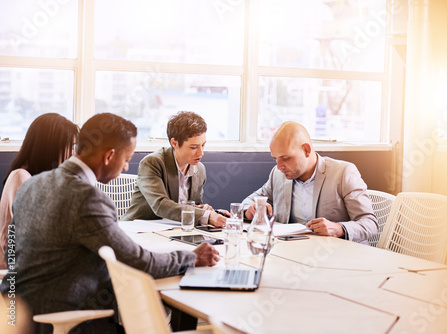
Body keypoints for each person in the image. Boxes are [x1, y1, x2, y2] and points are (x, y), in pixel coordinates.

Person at [0, 113, 220, 333]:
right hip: (62, 318)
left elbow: (13, 249)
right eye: (126, 159)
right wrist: (191, 257)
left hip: (14, 311)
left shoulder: (33, 183)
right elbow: (137, 261)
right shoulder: (87, 197)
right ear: (109, 156)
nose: (125, 168)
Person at [242, 121, 377, 245]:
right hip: (294, 255)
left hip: (339, 256)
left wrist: (339, 228)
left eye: (285, 158)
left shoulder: (343, 173)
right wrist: (249, 210)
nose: (279, 166)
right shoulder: (278, 175)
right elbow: (247, 203)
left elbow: (370, 224)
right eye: (275, 159)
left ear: (306, 150)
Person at [0, 113, 79, 270]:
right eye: (70, 147)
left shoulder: (38, 177)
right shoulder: (21, 177)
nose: (73, 154)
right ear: (50, 146)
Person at [122, 111, 227, 227]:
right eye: (193, 147)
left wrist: (206, 211)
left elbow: (194, 207)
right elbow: (160, 205)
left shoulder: (199, 169)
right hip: (139, 228)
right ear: (174, 143)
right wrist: (205, 215)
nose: (201, 153)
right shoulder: (152, 163)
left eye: (203, 145)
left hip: (175, 229)